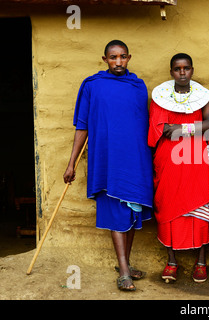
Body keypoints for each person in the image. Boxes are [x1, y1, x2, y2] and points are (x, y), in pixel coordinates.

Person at [64, 40, 153, 291]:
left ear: (129, 58)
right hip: (108, 160)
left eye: (123, 57)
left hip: (136, 159)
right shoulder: (92, 86)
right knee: (115, 211)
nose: (118, 62)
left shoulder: (138, 86)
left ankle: (125, 263)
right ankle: (123, 270)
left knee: (132, 210)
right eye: (113, 57)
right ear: (104, 59)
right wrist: (71, 164)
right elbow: (82, 125)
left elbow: (142, 123)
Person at [148, 53, 209, 283]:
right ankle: (172, 261)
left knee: (200, 205)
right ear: (171, 72)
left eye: (186, 68)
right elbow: (162, 129)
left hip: (196, 158)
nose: (182, 72)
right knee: (168, 206)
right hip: (168, 159)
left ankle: (201, 261)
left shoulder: (201, 96)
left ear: (192, 70)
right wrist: (186, 128)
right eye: (177, 69)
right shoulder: (160, 97)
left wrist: (180, 127)